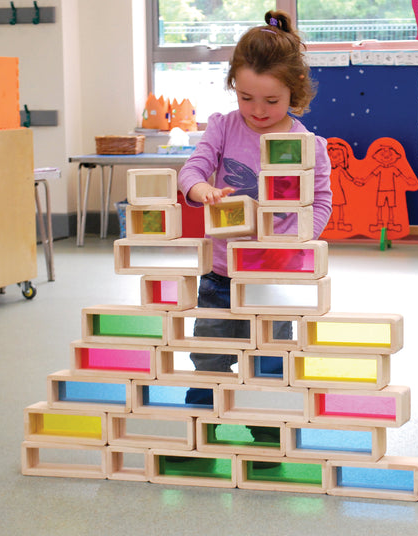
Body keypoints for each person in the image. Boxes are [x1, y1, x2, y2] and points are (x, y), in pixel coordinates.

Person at [177, 10, 332, 442]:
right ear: (233, 88)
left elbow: (321, 201)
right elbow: (191, 170)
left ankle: (267, 428)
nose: (257, 111)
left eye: (271, 101)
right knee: (209, 355)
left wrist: (299, 240)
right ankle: (201, 426)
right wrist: (199, 191)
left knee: (269, 358)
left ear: (294, 93)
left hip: (273, 276)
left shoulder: (309, 145)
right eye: (246, 98)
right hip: (221, 274)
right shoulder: (224, 129)